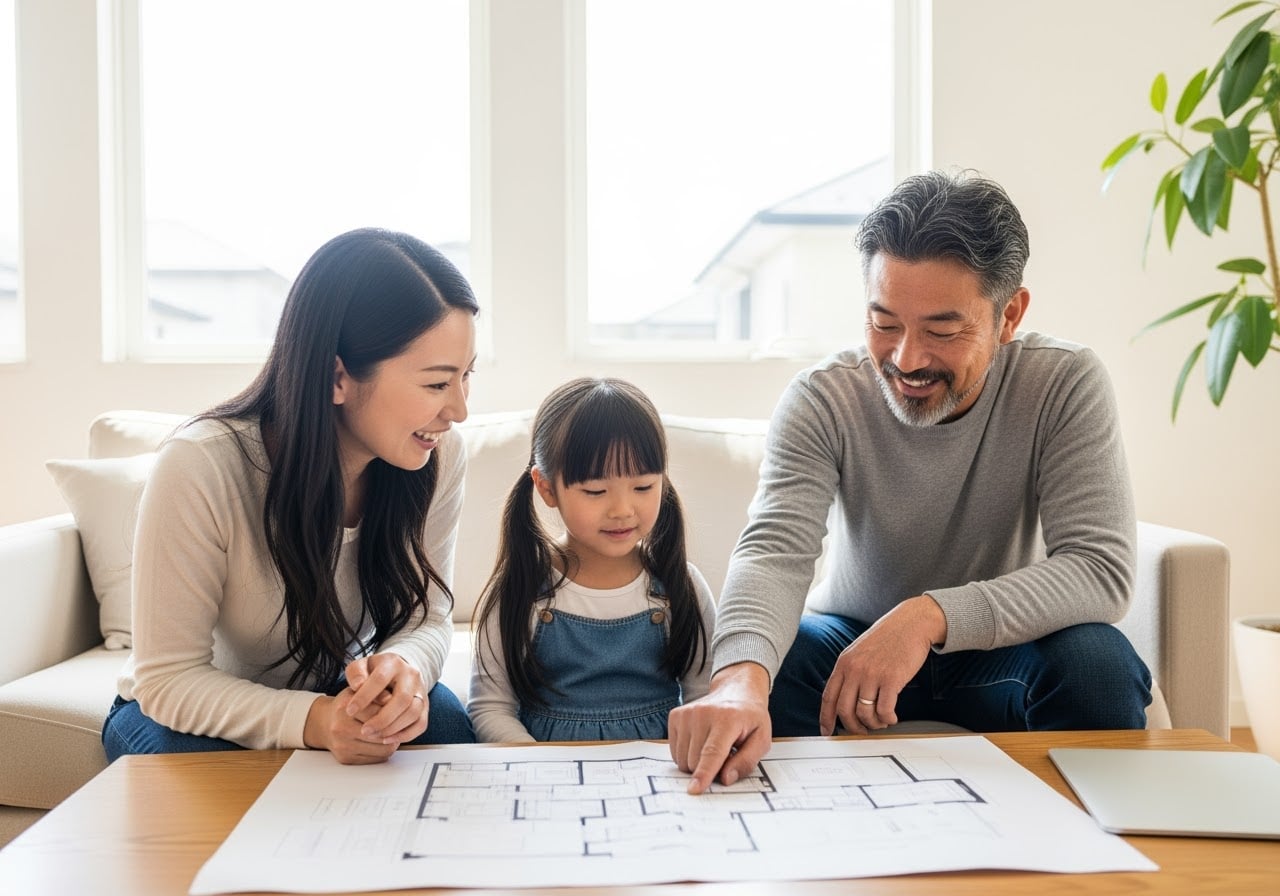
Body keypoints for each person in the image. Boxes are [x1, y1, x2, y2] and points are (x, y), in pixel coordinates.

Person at [668, 169, 1152, 793]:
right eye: (885, 323)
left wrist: (927, 618)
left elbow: (1099, 569)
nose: (907, 359)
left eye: (943, 331)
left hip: (1002, 652)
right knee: (774, 663)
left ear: (1010, 315)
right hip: (851, 644)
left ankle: (1084, 867)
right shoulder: (823, 398)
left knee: (1098, 666)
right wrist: (738, 679)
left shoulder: (1063, 382)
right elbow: (775, 550)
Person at [102, 227, 480, 765]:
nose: (459, 409)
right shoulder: (202, 464)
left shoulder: (436, 457)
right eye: (437, 384)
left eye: (468, 376)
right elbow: (168, 680)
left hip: (331, 689)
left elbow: (427, 618)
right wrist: (316, 722)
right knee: (206, 776)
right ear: (336, 376)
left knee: (444, 725)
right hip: (178, 711)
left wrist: (405, 670)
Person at [468, 377, 716, 742]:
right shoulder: (522, 588)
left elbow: (706, 695)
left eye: (644, 487)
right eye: (596, 491)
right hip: (550, 775)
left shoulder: (681, 585)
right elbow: (490, 707)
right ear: (547, 488)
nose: (622, 509)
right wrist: (533, 763)